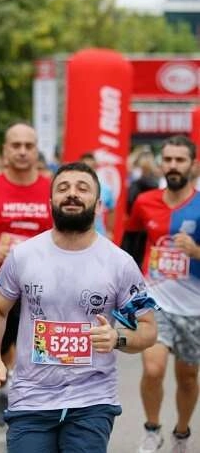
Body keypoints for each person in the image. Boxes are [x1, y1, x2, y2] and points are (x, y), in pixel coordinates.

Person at [0, 162, 158, 453]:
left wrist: (118, 338)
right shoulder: (23, 255)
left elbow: (148, 329)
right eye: (63, 188)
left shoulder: (120, 263)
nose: (72, 193)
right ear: (51, 202)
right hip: (31, 398)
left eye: (82, 188)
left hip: (92, 400)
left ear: (98, 205)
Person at [0, 123, 52, 427]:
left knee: (36, 349)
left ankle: (27, 401)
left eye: (29, 146)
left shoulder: (51, 189)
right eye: (16, 145)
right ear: (5, 150)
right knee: (2, 348)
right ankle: (6, 386)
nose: (22, 151)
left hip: (44, 287)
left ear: (36, 150)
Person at [124, 136, 200, 453]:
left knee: (187, 377)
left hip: (194, 307)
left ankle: (181, 433)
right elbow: (129, 247)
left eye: (179, 160)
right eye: (167, 159)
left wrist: (196, 251)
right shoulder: (144, 202)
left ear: (193, 164)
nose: (173, 166)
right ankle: (152, 429)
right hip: (154, 302)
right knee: (153, 369)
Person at [80, 152, 115, 239]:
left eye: (91, 167)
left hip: (98, 235)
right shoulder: (72, 189)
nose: (88, 170)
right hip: (76, 235)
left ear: (96, 167)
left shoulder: (105, 189)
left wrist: (109, 231)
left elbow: (112, 209)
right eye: (85, 167)